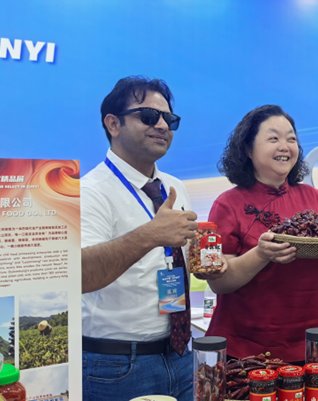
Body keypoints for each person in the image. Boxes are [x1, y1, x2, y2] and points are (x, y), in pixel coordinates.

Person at [80, 76, 225, 401]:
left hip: (180, 353)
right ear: (113, 124)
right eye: (148, 116)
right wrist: (149, 235)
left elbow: (175, 260)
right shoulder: (90, 192)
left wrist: (208, 262)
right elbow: (79, 276)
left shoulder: (174, 187)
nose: (161, 125)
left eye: (169, 119)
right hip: (116, 364)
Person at [199, 104, 318, 362]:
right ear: (247, 149)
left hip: (315, 339)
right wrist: (261, 254)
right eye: (273, 138)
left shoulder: (313, 196)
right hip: (249, 347)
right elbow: (219, 283)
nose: (285, 146)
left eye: (291, 139)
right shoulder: (228, 204)